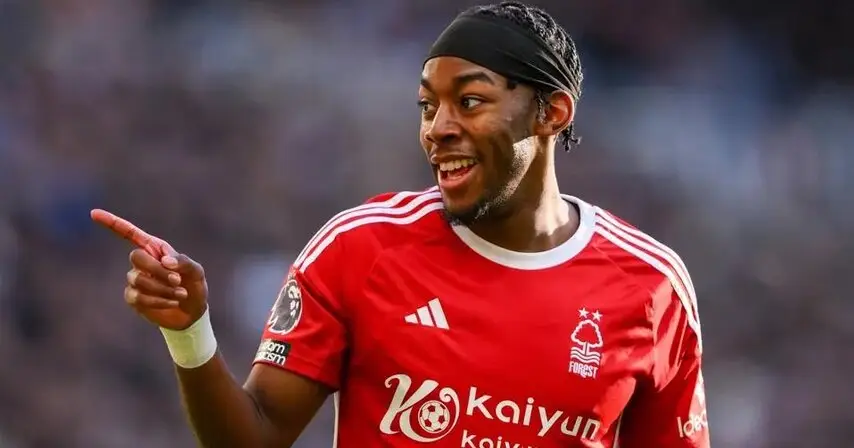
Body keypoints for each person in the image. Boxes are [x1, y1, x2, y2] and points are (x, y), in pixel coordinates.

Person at [92, 2, 710, 447]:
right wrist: (190, 334)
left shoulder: (652, 287)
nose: (437, 128)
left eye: (469, 101)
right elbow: (255, 435)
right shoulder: (360, 247)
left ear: (551, 113)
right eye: (427, 106)